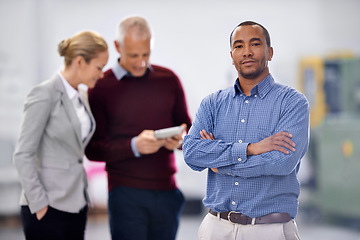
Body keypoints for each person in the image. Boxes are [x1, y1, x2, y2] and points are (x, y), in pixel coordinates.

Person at [183, 21, 310, 240]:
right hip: (215, 227)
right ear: (232, 56)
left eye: (255, 44)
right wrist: (252, 149)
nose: (247, 52)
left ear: (269, 52)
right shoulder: (212, 104)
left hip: (270, 229)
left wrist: (219, 164)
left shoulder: (292, 103)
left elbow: (281, 162)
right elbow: (192, 153)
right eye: (239, 46)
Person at [85, 16, 192, 240]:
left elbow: (187, 129)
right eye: (133, 55)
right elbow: (92, 149)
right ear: (117, 47)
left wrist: (181, 142)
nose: (140, 62)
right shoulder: (100, 86)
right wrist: (134, 146)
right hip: (125, 194)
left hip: (167, 193)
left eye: (146, 54)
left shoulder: (168, 80)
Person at [13, 30, 109, 240]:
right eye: (99, 67)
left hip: (76, 203)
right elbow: (23, 154)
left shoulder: (81, 95)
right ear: (80, 61)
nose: (101, 74)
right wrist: (39, 204)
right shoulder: (43, 94)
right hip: (47, 206)